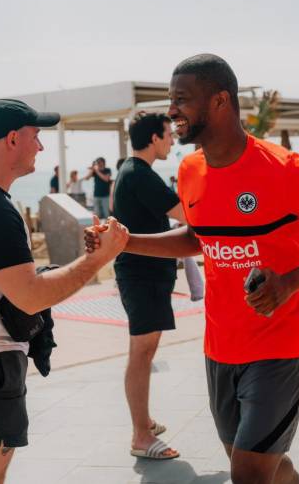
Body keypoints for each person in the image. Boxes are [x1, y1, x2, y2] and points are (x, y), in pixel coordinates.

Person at [87, 54, 299, 484]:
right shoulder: (190, 169)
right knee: (255, 461)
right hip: (222, 344)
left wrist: (290, 282)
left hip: (280, 344)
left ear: (220, 101)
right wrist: (124, 243)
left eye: (181, 99)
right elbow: (199, 239)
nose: (171, 111)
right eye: (170, 100)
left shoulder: (286, 169)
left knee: (248, 473)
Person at [0, 98, 129, 483]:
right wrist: (98, 260)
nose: (40, 146)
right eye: (36, 136)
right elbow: (30, 296)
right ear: (11, 139)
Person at [112, 112, 188, 459]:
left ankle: (142, 420)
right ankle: (140, 436)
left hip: (146, 275)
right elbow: (187, 214)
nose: (172, 140)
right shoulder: (139, 175)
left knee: (145, 352)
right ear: (154, 137)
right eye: (169, 134)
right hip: (141, 276)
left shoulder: (134, 172)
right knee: (141, 354)